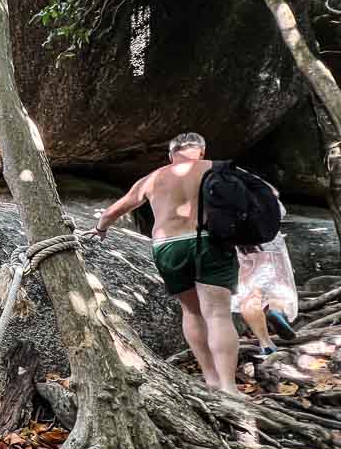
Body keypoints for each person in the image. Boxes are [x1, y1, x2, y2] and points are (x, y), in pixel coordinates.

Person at [93, 132, 242, 395]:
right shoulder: (217, 169)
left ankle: (211, 380)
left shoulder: (153, 178)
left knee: (193, 312)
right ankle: (230, 389)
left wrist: (100, 229)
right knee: (217, 313)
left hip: (168, 247)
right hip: (209, 241)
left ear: (171, 155)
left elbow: (112, 212)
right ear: (202, 152)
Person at [232, 201, 298, 356]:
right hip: (269, 242)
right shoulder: (255, 181)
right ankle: (275, 310)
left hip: (237, 244)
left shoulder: (214, 183)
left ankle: (265, 343)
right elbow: (280, 210)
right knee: (276, 286)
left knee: (248, 293)